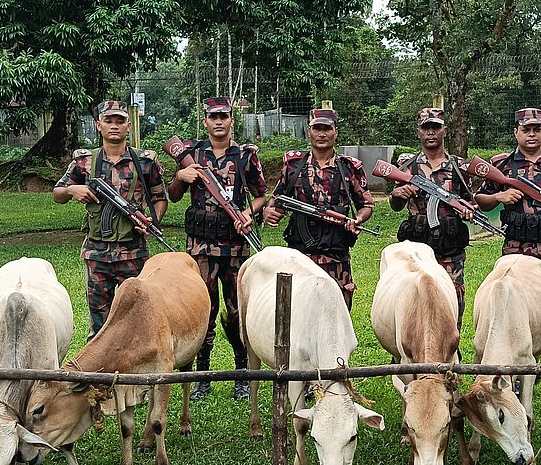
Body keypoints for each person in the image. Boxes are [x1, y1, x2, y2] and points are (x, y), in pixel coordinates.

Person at [474, 107, 541, 398]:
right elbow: (480, 199)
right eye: (526, 129)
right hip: (516, 250)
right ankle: (517, 371)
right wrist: (499, 196)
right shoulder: (502, 164)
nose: (532, 134)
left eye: (537, 128)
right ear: (516, 132)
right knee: (511, 308)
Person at [168, 97, 268, 400]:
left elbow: (262, 195)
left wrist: (249, 215)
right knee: (203, 311)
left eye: (224, 116)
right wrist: (179, 176)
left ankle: (240, 375)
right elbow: (173, 196)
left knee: (238, 311)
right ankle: (202, 377)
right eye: (213, 117)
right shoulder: (192, 154)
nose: (219, 122)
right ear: (205, 121)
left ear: (232, 121)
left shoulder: (245, 156)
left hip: (236, 247)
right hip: (201, 248)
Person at [53, 99, 168, 340]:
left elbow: (160, 197)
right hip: (97, 255)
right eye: (108, 121)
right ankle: (99, 376)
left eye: (120, 121)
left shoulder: (145, 162)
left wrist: (151, 221)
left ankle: (133, 375)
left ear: (129, 126)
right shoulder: (84, 161)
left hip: (134, 253)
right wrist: (73, 189)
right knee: (99, 326)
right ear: (98, 125)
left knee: (137, 320)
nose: (114, 126)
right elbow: (58, 194)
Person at [262, 108, 374, 309]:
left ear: (335, 132)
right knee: (297, 311)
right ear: (309, 131)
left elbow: (366, 204)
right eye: (317, 128)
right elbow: (276, 199)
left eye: (327, 128)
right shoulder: (293, 165)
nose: (322, 133)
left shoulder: (349, 167)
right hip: (299, 257)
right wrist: (270, 212)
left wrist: (358, 220)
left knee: (337, 312)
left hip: (336, 256)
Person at [389, 107, 474, 324]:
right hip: (417, 252)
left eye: (435, 127)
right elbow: (396, 205)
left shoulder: (458, 166)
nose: (430, 132)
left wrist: (467, 211)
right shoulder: (407, 168)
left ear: (444, 130)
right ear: (418, 132)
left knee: (452, 305)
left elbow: (471, 202)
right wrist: (397, 194)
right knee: (414, 303)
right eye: (425, 128)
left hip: (450, 252)